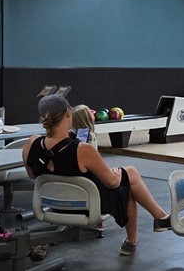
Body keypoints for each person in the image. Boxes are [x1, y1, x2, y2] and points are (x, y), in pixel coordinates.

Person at [23, 94, 171, 256]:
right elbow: (112, 182)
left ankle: (157, 220)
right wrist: (116, 175)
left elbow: (32, 175)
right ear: (68, 113)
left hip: (52, 204)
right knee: (129, 176)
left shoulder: (31, 143)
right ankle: (149, 226)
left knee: (128, 177)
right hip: (84, 205)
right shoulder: (83, 150)